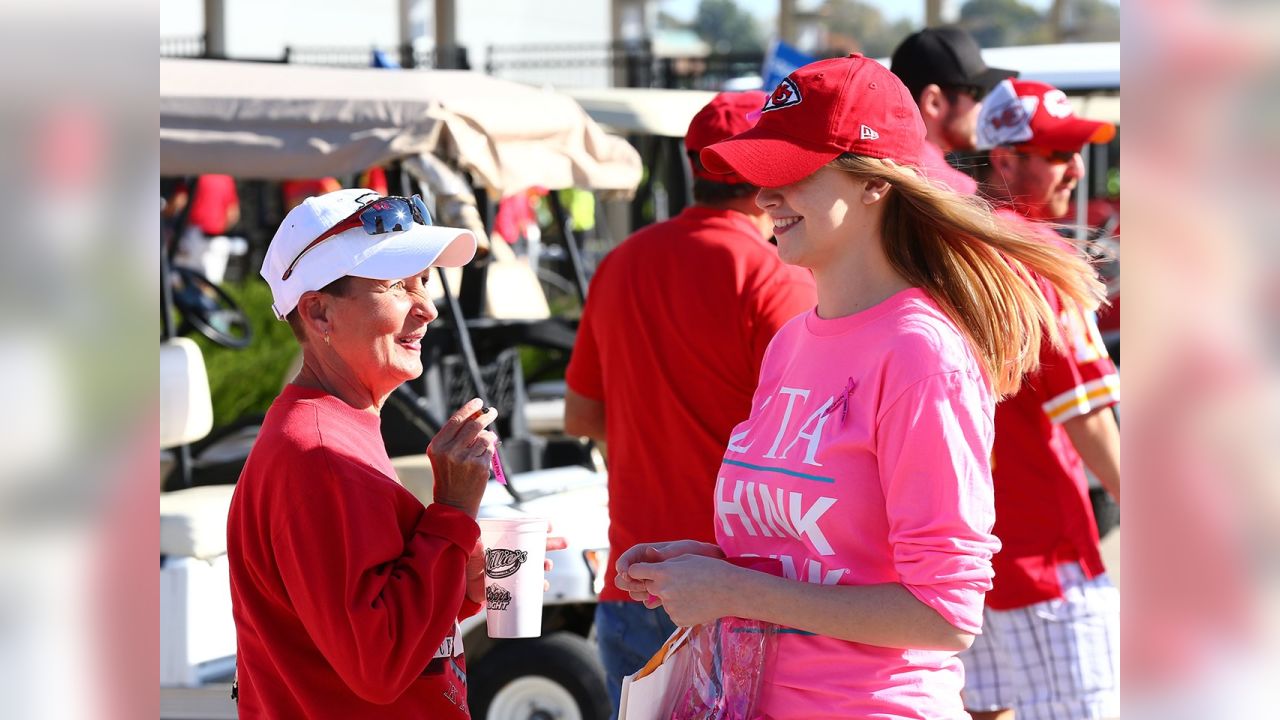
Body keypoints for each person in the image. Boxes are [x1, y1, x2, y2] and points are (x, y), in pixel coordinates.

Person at [613, 55, 1107, 720]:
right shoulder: (793, 341)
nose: (766, 196)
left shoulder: (920, 354)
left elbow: (946, 613)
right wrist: (697, 568)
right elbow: (819, 558)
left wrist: (732, 589)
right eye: (761, 175)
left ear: (874, 184)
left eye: (791, 172)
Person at [563, 90, 817, 717]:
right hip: (745, 588)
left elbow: (582, 416)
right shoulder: (775, 273)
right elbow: (811, 434)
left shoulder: (621, 264)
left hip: (635, 578)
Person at [227, 188, 499, 718]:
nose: (427, 308)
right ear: (319, 313)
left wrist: (459, 578)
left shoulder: (332, 428)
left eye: (423, 281)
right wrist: (452, 513)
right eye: (397, 286)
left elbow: (356, 615)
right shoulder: (320, 452)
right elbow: (379, 665)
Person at [960, 78, 1122, 720]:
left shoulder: (951, 246)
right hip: (1046, 558)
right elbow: (1088, 420)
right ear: (1004, 159)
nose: (1076, 168)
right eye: (1056, 153)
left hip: (963, 553)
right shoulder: (1038, 254)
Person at [890, 26, 1016, 194]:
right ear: (933, 102)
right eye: (977, 93)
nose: (982, 106)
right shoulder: (955, 191)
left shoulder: (873, 165)